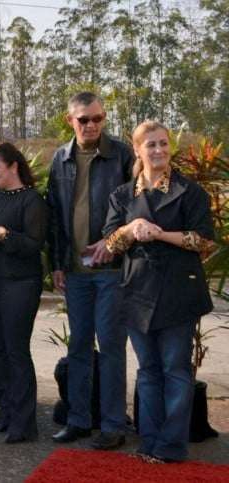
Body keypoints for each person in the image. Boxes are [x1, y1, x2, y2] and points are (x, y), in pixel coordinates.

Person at [103, 121, 214, 463]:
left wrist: (161, 234)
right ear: (137, 150)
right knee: (147, 372)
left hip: (179, 292)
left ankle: (171, 446)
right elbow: (110, 243)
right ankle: (148, 442)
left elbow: (204, 242)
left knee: (176, 371)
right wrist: (131, 228)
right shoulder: (122, 195)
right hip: (136, 293)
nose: (158, 150)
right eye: (150, 145)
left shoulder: (190, 191)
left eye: (163, 144)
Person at [46, 92, 134, 450]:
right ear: (71, 121)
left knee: (112, 347)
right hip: (74, 271)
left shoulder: (122, 155)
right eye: (84, 119)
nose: (92, 125)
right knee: (79, 346)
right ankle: (79, 420)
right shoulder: (60, 158)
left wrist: (113, 245)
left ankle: (113, 425)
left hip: (112, 269)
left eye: (98, 118)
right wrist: (55, 263)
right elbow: (53, 215)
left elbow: (135, 207)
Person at [0, 142, 47, 444]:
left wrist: (1, 234)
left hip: (20, 284)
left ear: (14, 167)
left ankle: (24, 422)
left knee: (16, 352)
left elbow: (34, 245)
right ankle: (6, 413)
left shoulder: (32, 200)